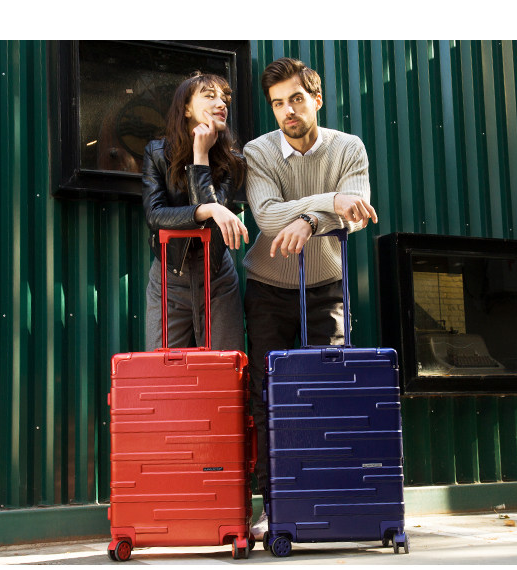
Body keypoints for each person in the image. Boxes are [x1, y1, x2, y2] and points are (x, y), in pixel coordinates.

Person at [242, 57, 378, 538]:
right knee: (270, 396)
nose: (288, 111)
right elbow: (266, 217)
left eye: (297, 99)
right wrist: (328, 202)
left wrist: (308, 219)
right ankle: (273, 506)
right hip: (267, 289)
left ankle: (331, 501)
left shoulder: (349, 148)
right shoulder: (258, 152)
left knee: (330, 391)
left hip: (325, 287)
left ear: (317, 99)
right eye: (278, 103)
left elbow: (356, 214)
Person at [142, 72, 249, 352]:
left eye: (223, 99)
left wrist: (200, 157)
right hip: (168, 277)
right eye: (209, 96)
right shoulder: (157, 152)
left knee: (224, 364)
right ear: (186, 108)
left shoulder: (233, 159)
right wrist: (208, 208)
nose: (221, 104)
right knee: (163, 367)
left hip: (217, 276)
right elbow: (155, 215)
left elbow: (212, 227)